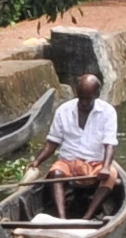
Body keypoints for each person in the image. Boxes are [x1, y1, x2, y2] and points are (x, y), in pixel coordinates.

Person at [36, 66, 120, 215]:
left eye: (88, 99)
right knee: (55, 173)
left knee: (111, 175)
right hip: (69, 162)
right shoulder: (64, 110)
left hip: (95, 163)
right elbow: (52, 143)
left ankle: (88, 217)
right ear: (76, 93)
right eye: (81, 98)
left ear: (97, 95)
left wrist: (105, 167)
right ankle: (61, 218)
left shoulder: (108, 112)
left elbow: (110, 144)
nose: (84, 103)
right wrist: (37, 162)